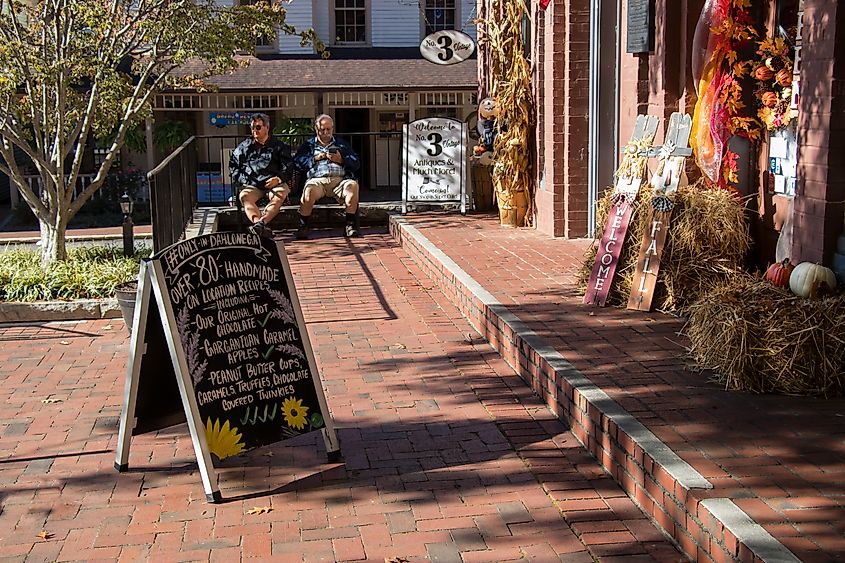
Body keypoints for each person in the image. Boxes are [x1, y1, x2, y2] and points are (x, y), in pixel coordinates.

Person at [293, 114, 361, 239]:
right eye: (322, 129)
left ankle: (350, 225)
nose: (325, 132)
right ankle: (303, 225)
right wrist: (315, 159)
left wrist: (341, 160)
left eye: (328, 129)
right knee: (308, 190)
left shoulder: (341, 144)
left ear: (332, 129)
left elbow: (356, 162)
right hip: (317, 181)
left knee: (353, 186)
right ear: (316, 129)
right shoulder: (308, 145)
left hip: (339, 181)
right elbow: (297, 163)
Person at [229, 113, 294, 237]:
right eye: (252, 127)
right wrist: (246, 180)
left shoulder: (279, 146)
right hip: (253, 185)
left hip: (275, 183)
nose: (254, 131)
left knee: (280, 195)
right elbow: (233, 167)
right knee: (245, 197)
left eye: (258, 127)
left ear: (267, 128)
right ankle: (259, 225)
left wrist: (279, 178)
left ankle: (261, 224)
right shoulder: (244, 147)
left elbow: (289, 165)